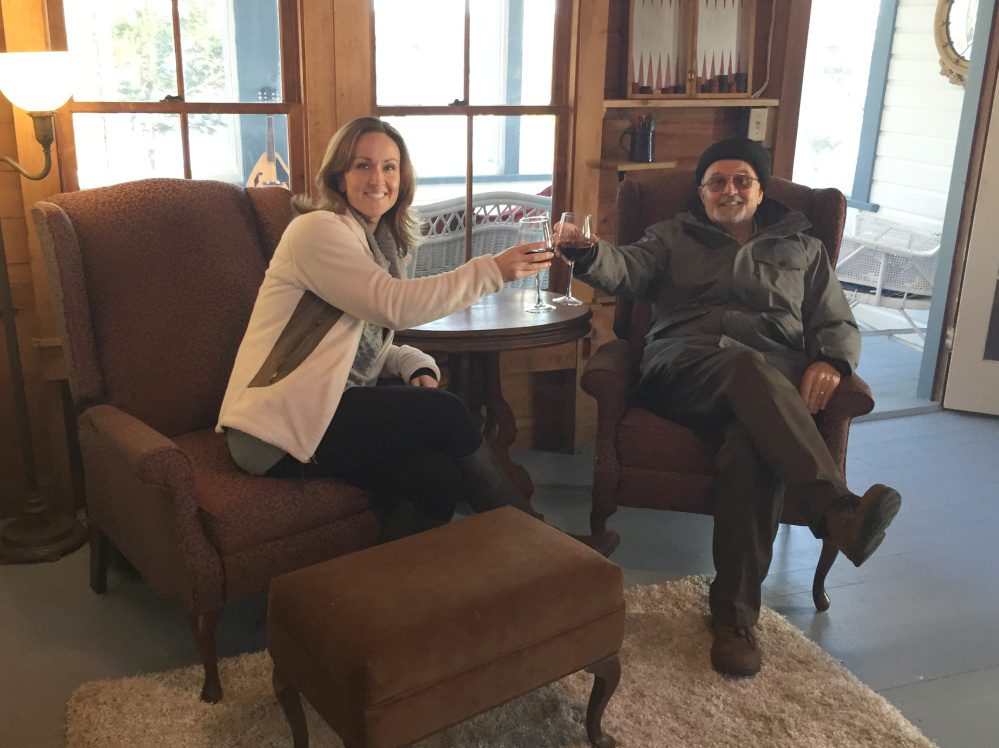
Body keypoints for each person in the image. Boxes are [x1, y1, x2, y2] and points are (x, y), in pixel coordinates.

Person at [555, 137, 900, 675]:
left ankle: (735, 620)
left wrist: (832, 361)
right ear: (701, 192)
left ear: (762, 192)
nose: (730, 189)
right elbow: (624, 269)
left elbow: (835, 321)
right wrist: (587, 251)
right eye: (718, 181)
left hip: (772, 391)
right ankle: (836, 511)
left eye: (743, 180)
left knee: (751, 452)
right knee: (744, 365)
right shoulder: (668, 237)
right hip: (684, 370)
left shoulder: (803, 248)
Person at [216, 116, 619, 557]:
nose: (378, 179)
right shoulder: (318, 230)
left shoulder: (377, 243)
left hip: (327, 409)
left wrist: (413, 365)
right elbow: (393, 305)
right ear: (339, 176)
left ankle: (380, 585)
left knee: (439, 477)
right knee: (445, 412)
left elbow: (363, 341)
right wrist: (493, 270)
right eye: (363, 166)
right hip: (275, 427)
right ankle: (543, 544)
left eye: (389, 167)